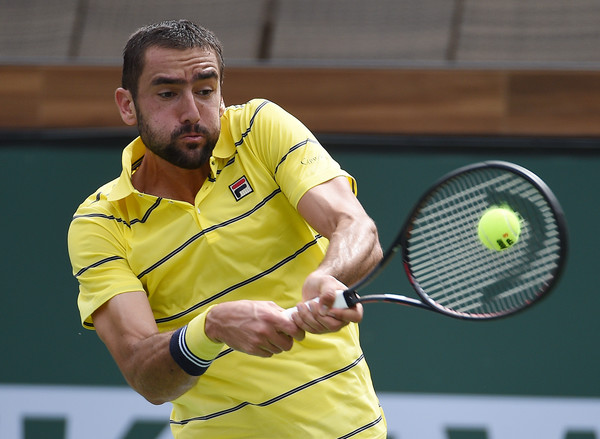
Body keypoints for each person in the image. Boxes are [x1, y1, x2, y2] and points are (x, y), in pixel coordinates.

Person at [67, 19, 386, 438]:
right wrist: (211, 330)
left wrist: (327, 277)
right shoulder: (101, 223)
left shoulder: (259, 129)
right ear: (128, 105)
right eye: (167, 94)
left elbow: (355, 227)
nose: (192, 112)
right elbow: (145, 374)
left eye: (205, 90)